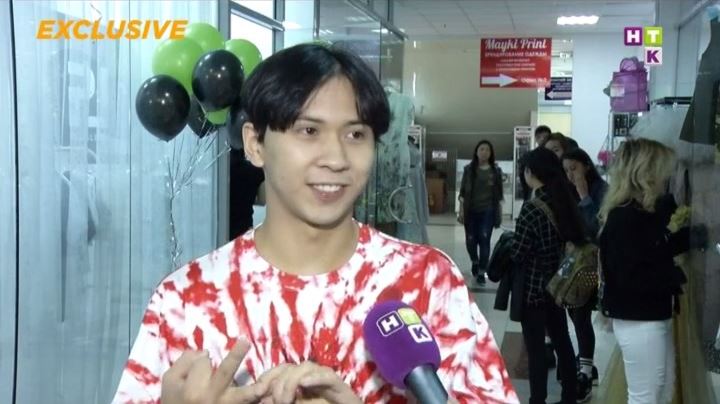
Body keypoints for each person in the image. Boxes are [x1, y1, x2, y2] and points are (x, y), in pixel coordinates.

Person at [112, 44, 518, 404]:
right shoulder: (186, 299)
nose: (337, 158)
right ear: (255, 143)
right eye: (309, 131)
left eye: (356, 135)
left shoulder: (427, 282)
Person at [598, 138, 705, 404]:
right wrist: (673, 276)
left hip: (651, 314)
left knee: (661, 390)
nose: (667, 176)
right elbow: (630, 275)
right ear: (645, 172)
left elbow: (653, 250)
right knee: (646, 395)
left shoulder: (642, 212)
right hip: (639, 318)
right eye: (662, 168)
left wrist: (689, 238)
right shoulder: (625, 217)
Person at [512, 147, 587, 404]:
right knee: (563, 342)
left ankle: (538, 399)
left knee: (535, 350)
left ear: (530, 172)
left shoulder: (532, 208)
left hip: (534, 289)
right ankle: (569, 397)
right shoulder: (564, 200)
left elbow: (519, 252)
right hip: (559, 286)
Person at [561, 148, 608, 401]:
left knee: (581, 315)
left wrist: (584, 196)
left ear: (586, 166)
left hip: (592, 265)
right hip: (572, 264)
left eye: (574, 168)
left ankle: (586, 374)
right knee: (574, 312)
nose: (571, 175)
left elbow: (598, 229)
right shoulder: (566, 191)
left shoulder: (600, 190)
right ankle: (585, 366)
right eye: (566, 170)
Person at [458, 140, 504, 285]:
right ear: (476, 152)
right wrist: (461, 211)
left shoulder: (496, 171)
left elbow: (499, 195)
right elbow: (462, 193)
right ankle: (475, 261)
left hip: (488, 211)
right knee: (471, 240)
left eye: (487, 150)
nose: (484, 152)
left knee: (484, 239)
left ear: (491, 153)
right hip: (471, 210)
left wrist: (499, 214)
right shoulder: (468, 169)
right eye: (481, 149)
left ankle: (482, 271)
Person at [229, 148, 265, 238]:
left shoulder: (217, 172)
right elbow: (262, 201)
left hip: (217, 227)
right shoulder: (256, 171)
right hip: (243, 229)